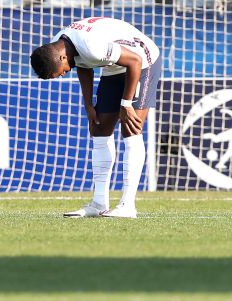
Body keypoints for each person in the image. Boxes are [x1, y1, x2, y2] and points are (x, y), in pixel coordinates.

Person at [30, 16, 162, 219]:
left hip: (142, 60)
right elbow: (82, 65)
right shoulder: (61, 46)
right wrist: (89, 105)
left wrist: (126, 104)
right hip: (115, 65)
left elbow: (134, 61)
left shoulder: (90, 46)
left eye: (60, 72)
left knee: (131, 128)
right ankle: (99, 203)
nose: (63, 75)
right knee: (99, 128)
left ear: (61, 58)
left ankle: (128, 205)